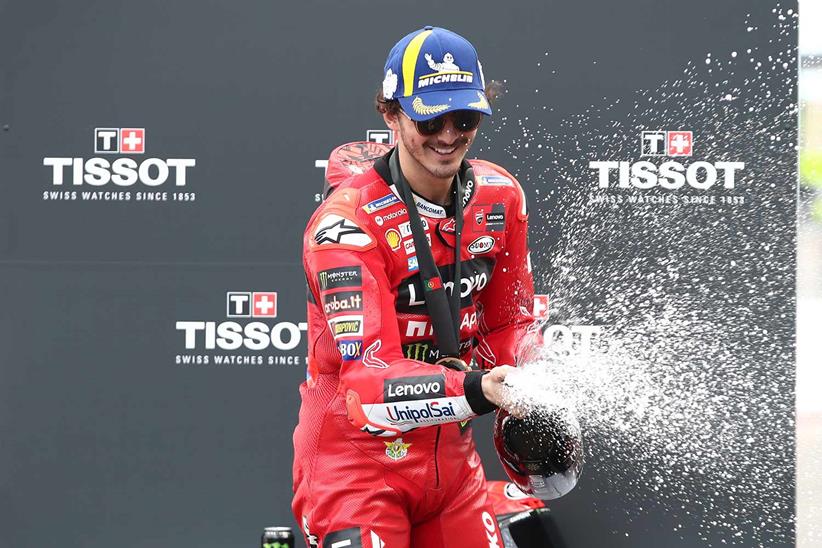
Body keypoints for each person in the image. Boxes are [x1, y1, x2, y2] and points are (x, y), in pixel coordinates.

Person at [293, 26, 537, 548]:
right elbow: (365, 386)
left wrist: (532, 380)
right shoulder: (345, 225)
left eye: (465, 118)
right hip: (355, 465)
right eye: (429, 118)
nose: (448, 135)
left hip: (451, 463)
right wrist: (480, 388)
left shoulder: (500, 196)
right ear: (391, 113)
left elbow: (508, 324)